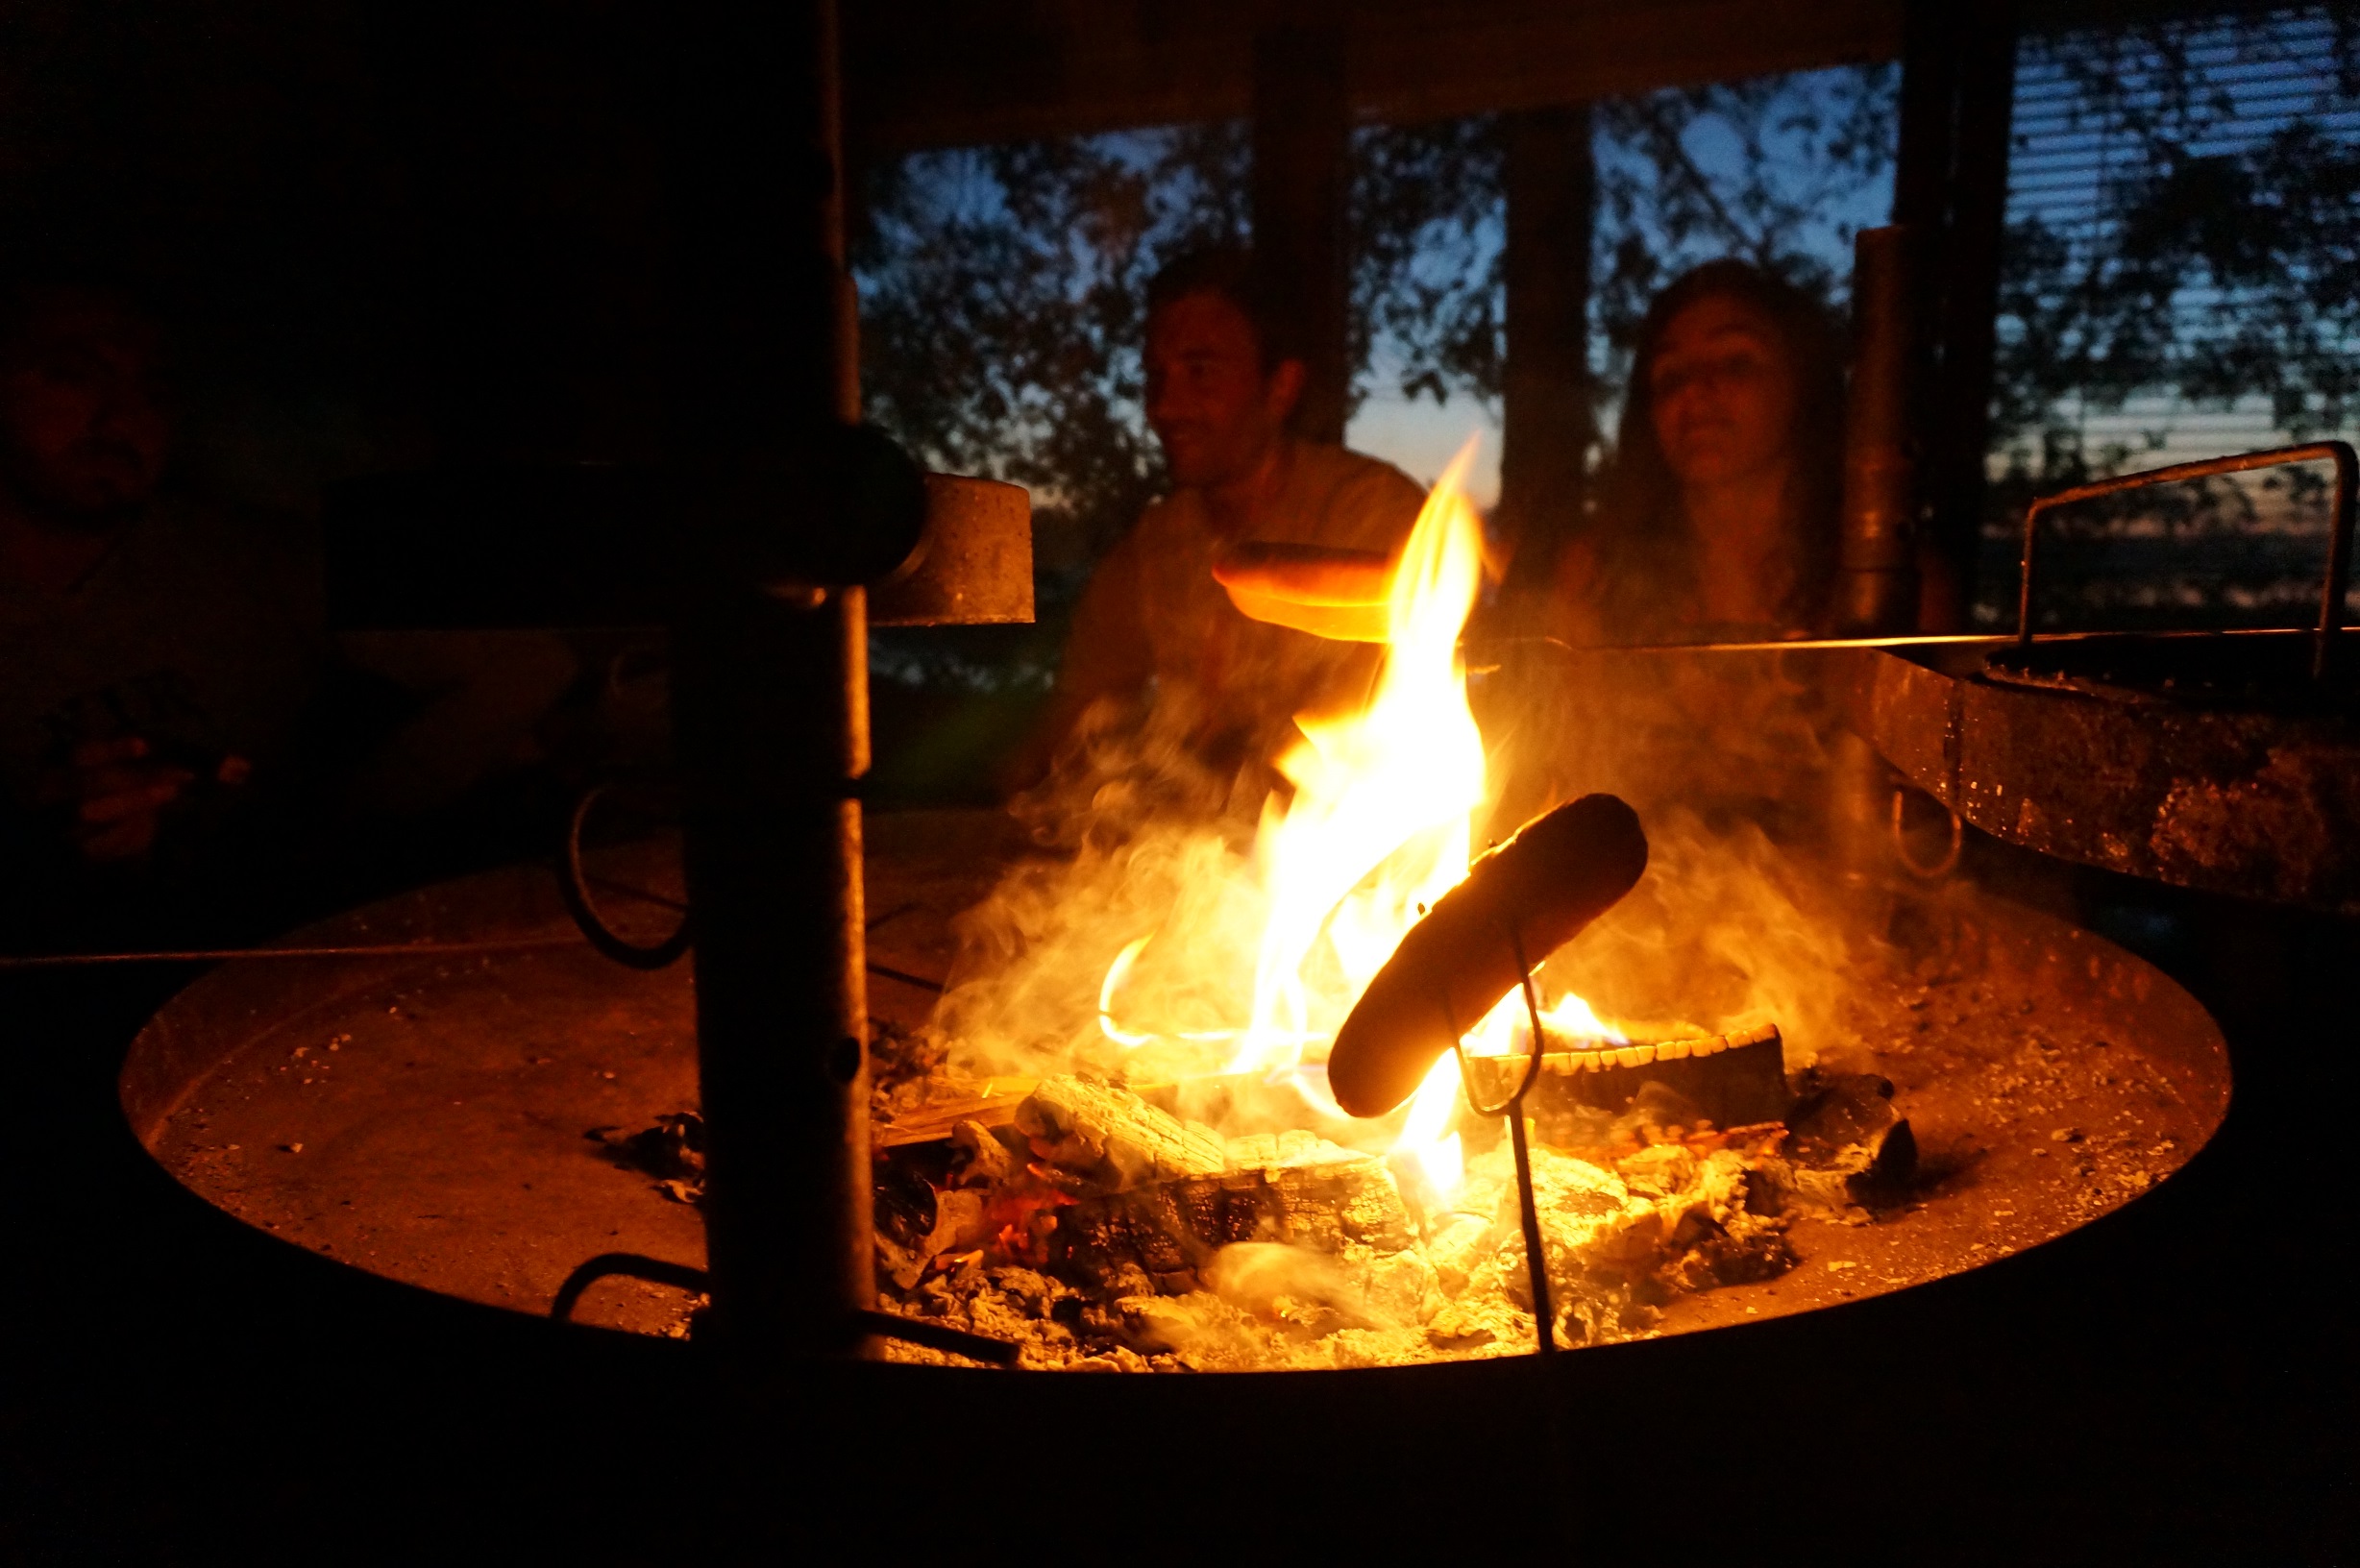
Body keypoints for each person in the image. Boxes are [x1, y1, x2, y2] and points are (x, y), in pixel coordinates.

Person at [0, 273, 574, 948]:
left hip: (293, 952)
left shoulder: (243, 556)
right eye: (72, 377)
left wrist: (348, 824)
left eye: (154, 392)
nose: (123, 420)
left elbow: (524, 660)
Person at [1007, 247, 1426, 787]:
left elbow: (1401, 743)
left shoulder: (1370, 514)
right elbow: (1071, 722)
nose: (1166, 405)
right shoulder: (1156, 549)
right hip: (1201, 857)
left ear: (1280, 387)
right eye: (1156, 375)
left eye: (1200, 372)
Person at [1550, 260, 1847, 646]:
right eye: (1671, 375)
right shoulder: (1594, 577)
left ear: (1805, 384)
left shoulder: (1882, 587)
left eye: (1735, 363)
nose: (1693, 389)